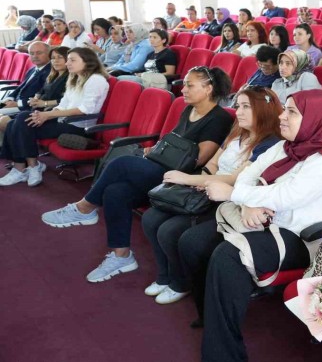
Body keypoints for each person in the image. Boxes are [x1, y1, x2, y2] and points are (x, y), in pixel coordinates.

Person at [186, 89, 322, 360]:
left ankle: (223, 352)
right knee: (193, 242)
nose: (281, 116)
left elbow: (285, 196)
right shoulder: (287, 146)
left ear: (316, 118)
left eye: (292, 112)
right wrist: (247, 204)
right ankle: (214, 317)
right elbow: (248, 174)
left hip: (304, 238)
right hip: (265, 221)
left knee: (228, 256)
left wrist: (235, 195)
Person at [40, 66, 234, 282]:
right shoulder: (189, 110)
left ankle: (85, 207)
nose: (183, 89)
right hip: (162, 166)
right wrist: (157, 149)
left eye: (190, 85)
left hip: (182, 178)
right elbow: (173, 141)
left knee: (121, 164)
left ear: (208, 89)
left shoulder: (219, 118)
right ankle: (121, 256)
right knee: (115, 192)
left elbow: (198, 159)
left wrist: (164, 152)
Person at [141, 86, 282, 305]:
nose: (239, 112)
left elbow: (235, 179)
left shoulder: (268, 144)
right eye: (238, 106)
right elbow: (214, 163)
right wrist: (200, 181)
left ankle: (181, 282)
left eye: (246, 107)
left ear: (263, 109)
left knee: (170, 230)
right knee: (151, 218)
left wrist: (188, 179)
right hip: (206, 187)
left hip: (228, 199)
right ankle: (165, 275)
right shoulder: (237, 132)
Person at [0, 47, 109, 187]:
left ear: (87, 61)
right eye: (68, 60)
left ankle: (25, 168)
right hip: (63, 121)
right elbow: (63, 104)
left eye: (72, 60)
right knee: (21, 119)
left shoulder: (96, 80)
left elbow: (85, 110)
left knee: (21, 122)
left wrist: (48, 114)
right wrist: (42, 116)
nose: (68, 63)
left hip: (79, 127)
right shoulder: (75, 78)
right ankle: (29, 167)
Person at [0, 41, 52, 116]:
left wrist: (17, 103)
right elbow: (21, 87)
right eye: (31, 53)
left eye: (39, 53)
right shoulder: (32, 69)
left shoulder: (51, 72)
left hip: (26, 108)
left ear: (49, 54)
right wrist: (9, 98)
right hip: (14, 102)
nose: (35, 56)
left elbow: (43, 96)